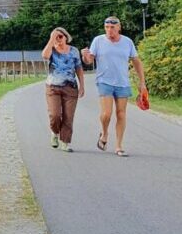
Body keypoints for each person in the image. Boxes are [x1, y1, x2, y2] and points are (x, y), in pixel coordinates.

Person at [81, 16, 147, 157]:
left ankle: (119, 146)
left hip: (122, 82)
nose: (109, 30)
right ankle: (104, 133)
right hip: (104, 81)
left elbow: (136, 61)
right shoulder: (98, 40)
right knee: (106, 114)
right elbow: (89, 60)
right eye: (107, 27)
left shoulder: (127, 42)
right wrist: (85, 56)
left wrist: (142, 82)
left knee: (121, 114)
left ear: (119, 27)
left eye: (112, 27)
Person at [41, 27, 84, 151]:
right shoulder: (51, 50)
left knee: (68, 116)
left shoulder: (74, 51)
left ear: (66, 37)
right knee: (54, 115)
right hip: (53, 87)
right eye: (56, 36)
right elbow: (44, 56)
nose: (58, 39)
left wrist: (82, 86)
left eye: (60, 36)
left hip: (70, 87)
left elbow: (79, 69)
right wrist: (51, 39)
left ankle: (65, 142)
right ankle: (54, 132)